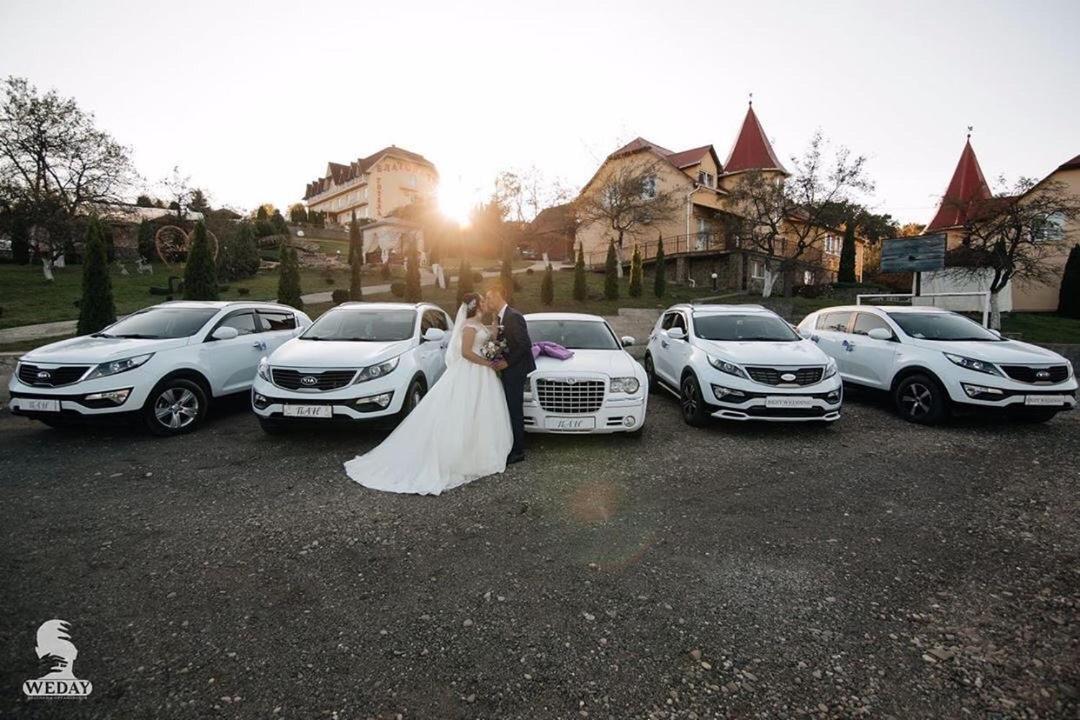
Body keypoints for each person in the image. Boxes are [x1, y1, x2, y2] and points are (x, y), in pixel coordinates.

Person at [343, 293, 512, 495]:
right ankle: (462, 455)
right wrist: (487, 363)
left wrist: (494, 328)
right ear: (475, 305)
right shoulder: (468, 326)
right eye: (482, 301)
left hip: (482, 373)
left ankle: (480, 449)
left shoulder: (479, 325)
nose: (485, 303)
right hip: (471, 371)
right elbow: (466, 352)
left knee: (479, 411)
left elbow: (487, 341)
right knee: (464, 409)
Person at [485, 284, 536, 464]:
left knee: (514, 409)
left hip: (516, 370)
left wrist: (506, 363)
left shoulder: (513, 316)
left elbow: (525, 344)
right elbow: (504, 343)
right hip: (508, 369)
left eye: (489, 297)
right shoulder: (499, 317)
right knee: (508, 407)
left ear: (498, 295)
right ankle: (511, 444)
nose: (487, 301)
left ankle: (518, 451)